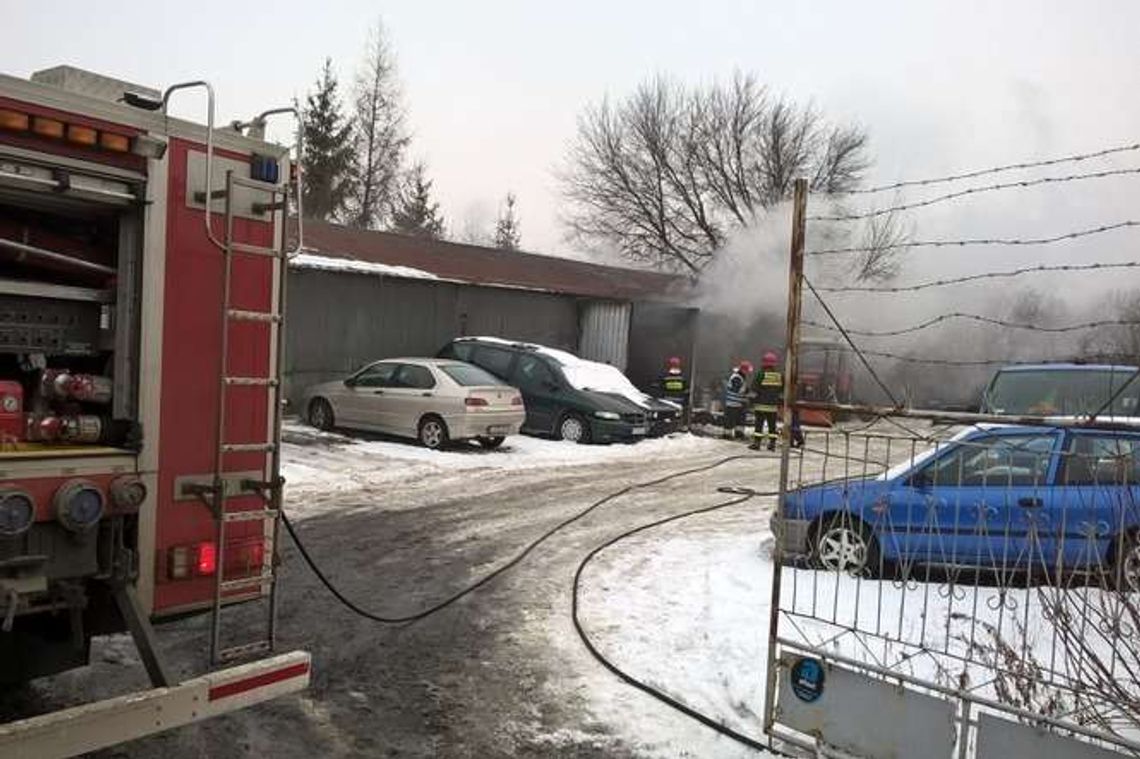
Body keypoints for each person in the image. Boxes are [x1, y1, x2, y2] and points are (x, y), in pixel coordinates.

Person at [750, 351, 783, 451]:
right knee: (772, 426)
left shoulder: (760, 375)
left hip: (761, 405)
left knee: (759, 425)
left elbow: (754, 389)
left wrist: (751, 401)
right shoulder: (779, 375)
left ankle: (757, 443)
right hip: (773, 406)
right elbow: (781, 390)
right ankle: (772, 444)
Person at [723, 361, 751, 439]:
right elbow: (737, 389)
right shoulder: (736, 377)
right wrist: (747, 391)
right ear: (743, 370)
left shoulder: (741, 376)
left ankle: (739, 433)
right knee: (730, 419)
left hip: (738, 403)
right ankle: (727, 434)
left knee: (740, 419)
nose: (747, 373)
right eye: (746, 370)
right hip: (732, 403)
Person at [659, 356, 690, 426]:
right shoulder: (683, 377)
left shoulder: (665, 376)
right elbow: (687, 388)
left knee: (666, 417)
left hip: (667, 400)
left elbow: (660, 387)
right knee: (677, 417)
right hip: (679, 401)